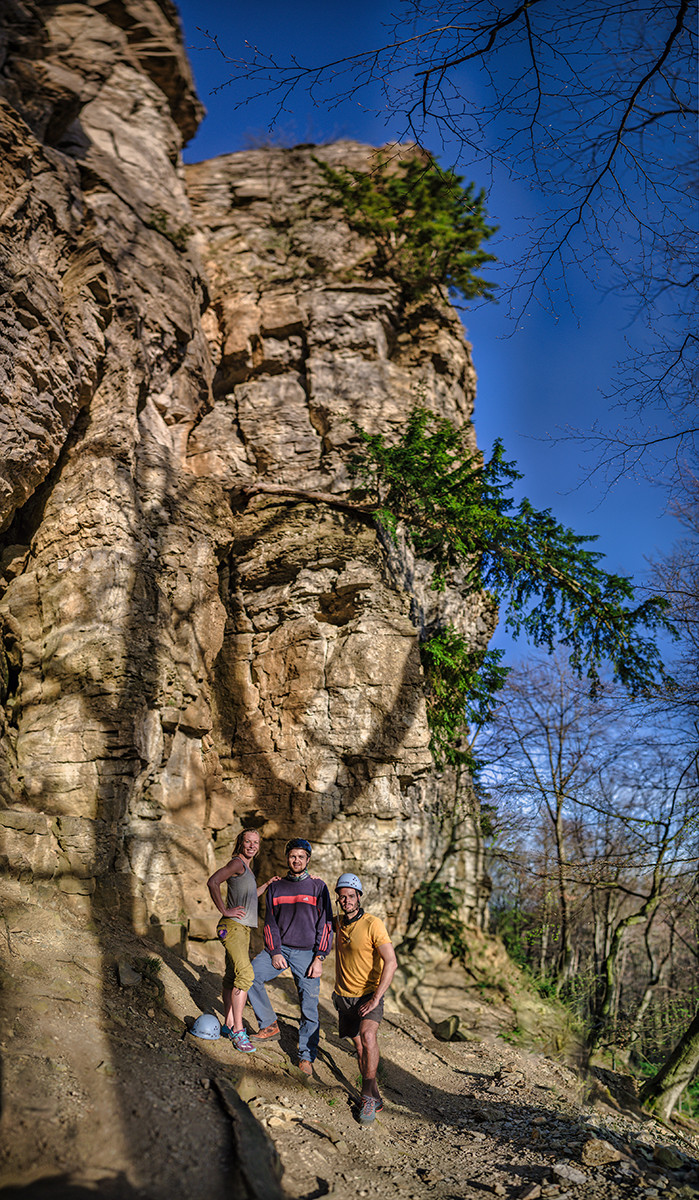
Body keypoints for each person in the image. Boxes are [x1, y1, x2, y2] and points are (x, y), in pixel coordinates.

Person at [247, 838, 333, 1076]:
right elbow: (270, 923)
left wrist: (319, 958)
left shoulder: (318, 887)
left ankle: (305, 1056)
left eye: (301, 857)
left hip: (308, 954)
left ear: (308, 859)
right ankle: (269, 1025)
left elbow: (326, 925)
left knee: (309, 1007)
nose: (296, 860)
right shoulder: (276, 887)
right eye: (293, 856)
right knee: (250, 976)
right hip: (281, 949)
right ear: (287, 858)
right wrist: (275, 951)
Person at [333, 872, 397, 1125]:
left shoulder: (373, 924)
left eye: (351, 896)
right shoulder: (337, 923)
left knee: (368, 1037)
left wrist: (376, 998)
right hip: (343, 996)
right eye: (342, 897)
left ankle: (367, 1097)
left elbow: (391, 962)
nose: (346, 900)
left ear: (359, 896)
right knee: (359, 1048)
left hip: (369, 995)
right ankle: (375, 1096)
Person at [207, 828, 278, 1053]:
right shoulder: (237, 863)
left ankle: (228, 1025)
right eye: (248, 842)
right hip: (233, 927)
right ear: (241, 843)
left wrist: (266, 885)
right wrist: (224, 910)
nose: (252, 846)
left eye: (256, 842)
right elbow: (213, 881)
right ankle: (239, 1031)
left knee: (232, 976)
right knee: (246, 975)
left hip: (242, 929)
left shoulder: (246, 868)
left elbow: (249, 896)